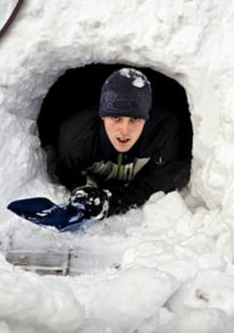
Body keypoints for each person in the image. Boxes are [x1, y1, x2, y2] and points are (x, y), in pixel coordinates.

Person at [55, 67, 189, 220]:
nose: (125, 131)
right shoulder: (77, 137)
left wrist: (111, 203)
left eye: (135, 119)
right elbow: (67, 172)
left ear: (146, 118)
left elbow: (155, 182)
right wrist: (83, 188)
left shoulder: (162, 130)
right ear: (103, 116)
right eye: (116, 118)